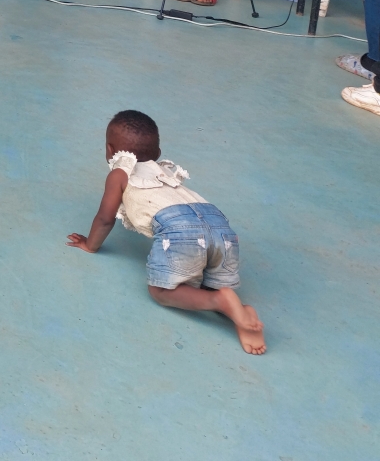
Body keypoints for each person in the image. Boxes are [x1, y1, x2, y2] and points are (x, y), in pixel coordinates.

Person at [67, 110, 265, 355]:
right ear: (158, 153)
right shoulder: (164, 171)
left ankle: (219, 301)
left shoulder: (119, 174)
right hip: (220, 226)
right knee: (204, 286)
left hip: (181, 231)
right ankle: (241, 313)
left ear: (110, 150)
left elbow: (105, 219)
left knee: (161, 291)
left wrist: (90, 245)